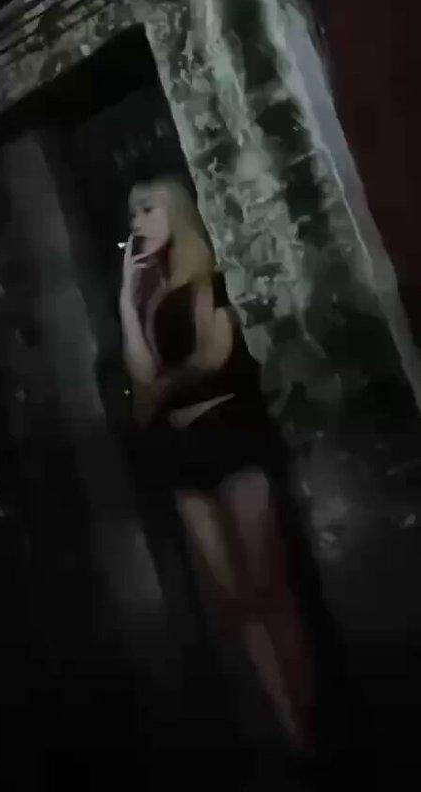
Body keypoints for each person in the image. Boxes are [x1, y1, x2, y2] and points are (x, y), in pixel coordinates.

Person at [119, 174, 313, 749]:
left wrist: (162, 388)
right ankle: (290, 732)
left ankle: (311, 719)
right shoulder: (149, 297)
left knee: (267, 585)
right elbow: (140, 379)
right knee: (237, 601)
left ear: (173, 212)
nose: (136, 224)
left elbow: (212, 355)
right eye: (132, 214)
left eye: (146, 209)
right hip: (183, 452)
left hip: (228, 433)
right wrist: (125, 301)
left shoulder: (207, 276)